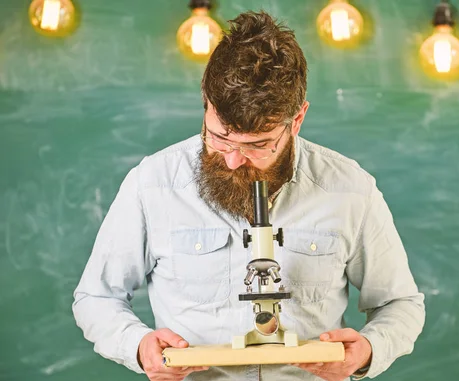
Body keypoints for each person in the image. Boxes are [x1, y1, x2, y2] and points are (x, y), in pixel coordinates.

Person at [72, 10, 425, 381]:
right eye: (219, 136)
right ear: (206, 103)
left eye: (257, 144)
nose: (233, 159)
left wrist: (368, 350)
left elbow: (400, 304)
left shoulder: (350, 188)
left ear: (297, 119)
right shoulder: (152, 184)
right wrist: (138, 346)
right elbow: (96, 298)